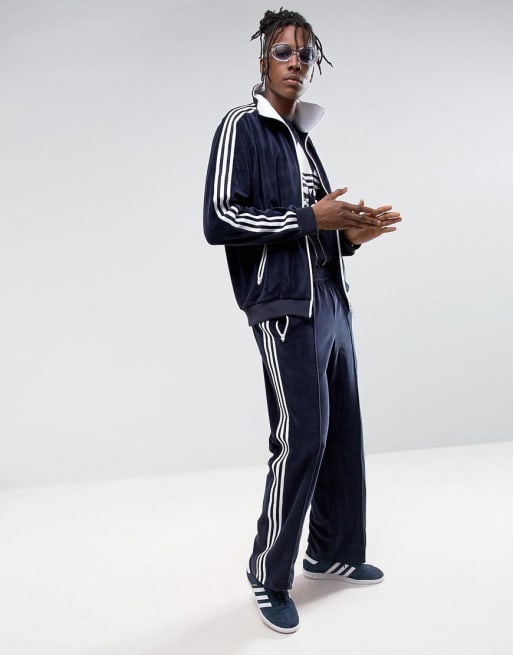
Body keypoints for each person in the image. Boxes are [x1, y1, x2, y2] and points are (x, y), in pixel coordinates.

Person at [203, 8, 402, 634]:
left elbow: (311, 230)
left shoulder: (303, 138)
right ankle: (268, 574)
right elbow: (220, 219)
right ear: (263, 59)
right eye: (284, 52)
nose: (296, 63)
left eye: (305, 54)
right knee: (302, 436)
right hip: (285, 306)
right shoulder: (242, 127)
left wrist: (351, 236)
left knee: (342, 431)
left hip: (331, 299)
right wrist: (313, 218)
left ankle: (333, 551)